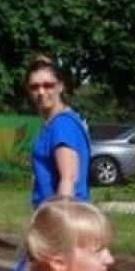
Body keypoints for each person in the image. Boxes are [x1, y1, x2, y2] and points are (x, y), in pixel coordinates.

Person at [25, 55, 92, 208]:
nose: (41, 92)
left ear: (60, 86)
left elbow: (68, 179)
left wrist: (60, 224)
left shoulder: (63, 125)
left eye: (48, 85)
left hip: (63, 218)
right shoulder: (54, 123)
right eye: (34, 87)